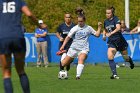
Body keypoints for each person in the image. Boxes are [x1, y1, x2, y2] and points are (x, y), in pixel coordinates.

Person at [0, 0, 47, 93]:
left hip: (3, 37)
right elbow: (29, 14)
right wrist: (39, 25)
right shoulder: (19, 2)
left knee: (6, 73)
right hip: (18, 36)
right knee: (21, 71)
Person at [60, 14, 102, 80]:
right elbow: (68, 37)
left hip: (84, 48)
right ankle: (64, 54)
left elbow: (97, 35)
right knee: (63, 63)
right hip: (73, 48)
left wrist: (99, 28)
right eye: (78, 21)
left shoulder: (88, 28)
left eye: (81, 21)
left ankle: (78, 76)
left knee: (81, 59)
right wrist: (63, 46)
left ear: (84, 21)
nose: (79, 22)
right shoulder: (75, 28)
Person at [102, 6, 134, 79]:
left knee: (125, 58)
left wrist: (111, 33)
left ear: (112, 13)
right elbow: (105, 30)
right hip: (111, 42)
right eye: (106, 13)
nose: (107, 14)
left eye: (109, 13)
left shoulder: (116, 19)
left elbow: (118, 28)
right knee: (110, 56)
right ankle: (114, 74)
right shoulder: (105, 21)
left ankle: (130, 62)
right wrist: (104, 35)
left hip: (120, 41)